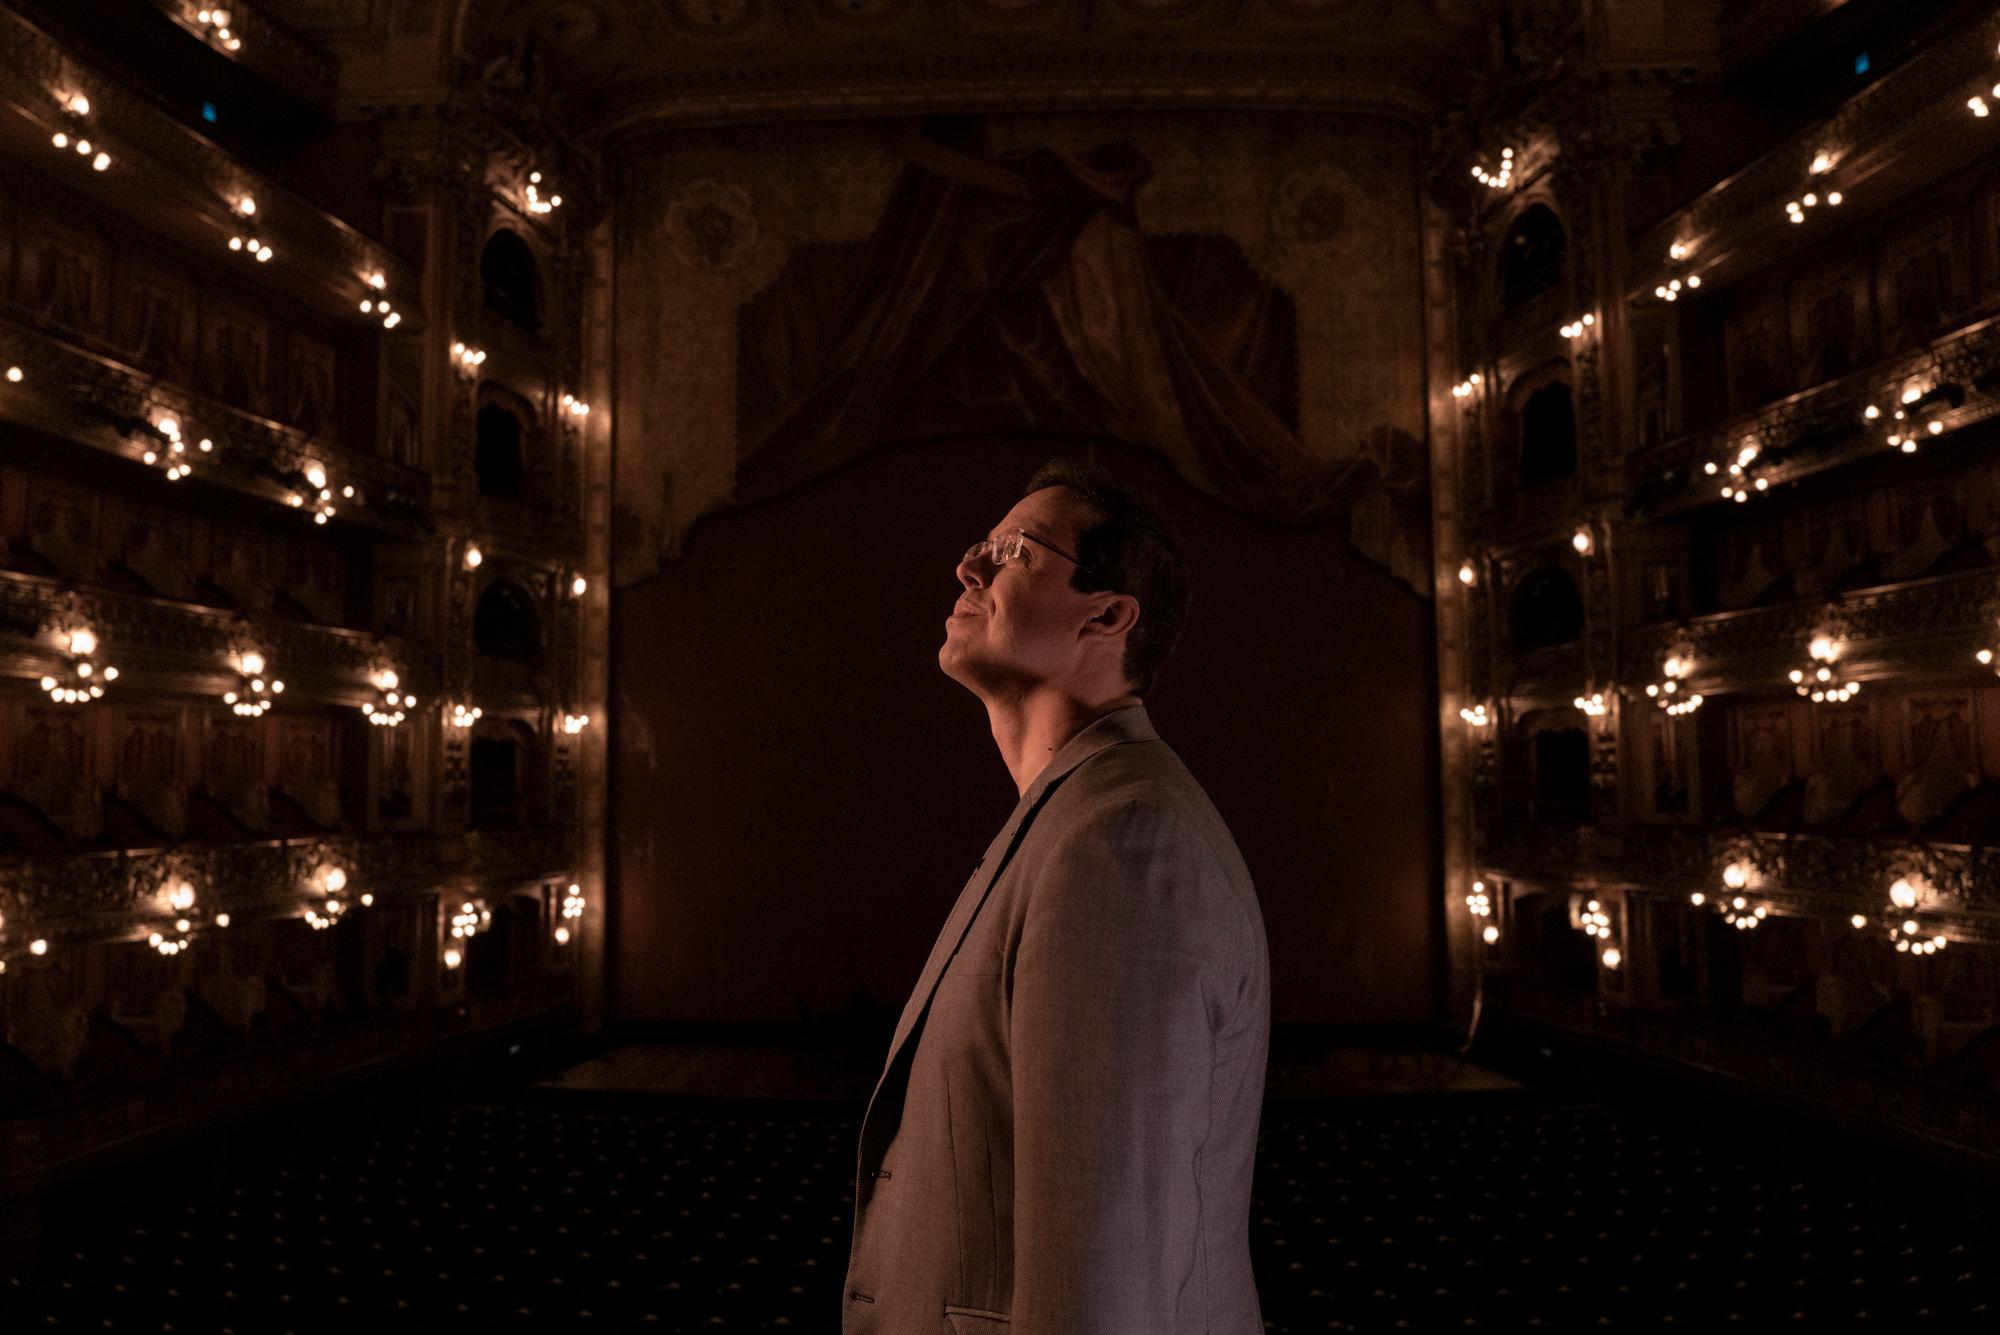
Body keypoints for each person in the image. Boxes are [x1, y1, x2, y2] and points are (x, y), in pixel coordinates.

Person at [842, 456, 1271, 1333]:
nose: (970, 565)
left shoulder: (1124, 842)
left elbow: (1104, 1290)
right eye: (982, 544)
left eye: (1015, 550)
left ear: (1108, 616)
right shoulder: (1074, 819)